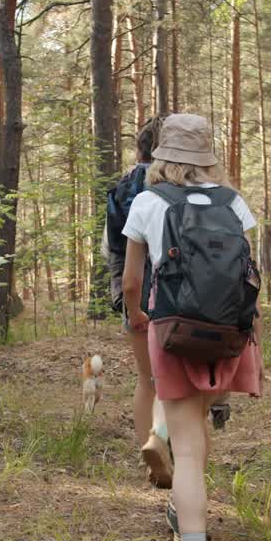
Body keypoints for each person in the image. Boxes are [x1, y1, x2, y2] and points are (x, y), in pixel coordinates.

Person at [121, 114, 263, 541]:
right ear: (207, 156)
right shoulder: (234, 202)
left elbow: (131, 283)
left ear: (162, 156)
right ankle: (189, 513)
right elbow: (248, 275)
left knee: (184, 449)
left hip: (173, 331)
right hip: (227, 335)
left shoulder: (147, 202)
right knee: (198, 427)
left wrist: (140, 316)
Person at [105, 116, 174, 489]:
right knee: (174, 377)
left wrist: (122, 295)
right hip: (173, 290)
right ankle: (168, 444)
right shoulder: (175, 185)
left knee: (146, 378)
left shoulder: (121, 185)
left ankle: (150, 451)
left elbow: (111, 246)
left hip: (133, 288)